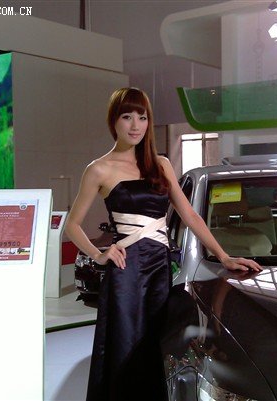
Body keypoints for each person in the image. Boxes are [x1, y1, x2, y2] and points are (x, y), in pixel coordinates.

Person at [64, 87, 261, 401]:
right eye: (127, 117)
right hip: (126, 273)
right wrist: (99, 254)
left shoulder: (161, 165)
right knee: (126, 348)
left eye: (142, 117)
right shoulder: (98, 169)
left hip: (160, 270)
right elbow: (72, 225)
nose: (135, 125)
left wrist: (223, 256)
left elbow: (190, 216)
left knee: (157, 347)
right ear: (113, 121)